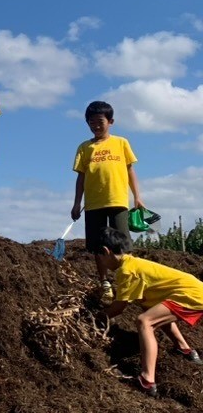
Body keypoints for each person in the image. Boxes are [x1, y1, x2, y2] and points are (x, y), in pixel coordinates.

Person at [100, 227, 203, 397]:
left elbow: (118, 308)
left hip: (192, 295)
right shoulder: (133, 263)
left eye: (101, 258)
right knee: (151, 311)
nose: (102, 263)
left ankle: (147, 380)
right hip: (195, 291)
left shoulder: (127, 271)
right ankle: (185, 349)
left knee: (144, 321)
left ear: (106, 251)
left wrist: (97, 317)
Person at [71, 100, 144, 281]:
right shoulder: (84, 147)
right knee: (98, 245)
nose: (96, 126)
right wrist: (76, 203)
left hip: (117, 200)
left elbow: (130, 171)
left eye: (100, 122)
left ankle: (129, 280)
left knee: (123, 243)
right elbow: (81, 177)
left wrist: (137, 197)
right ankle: (104, 282)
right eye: (92, 122)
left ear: (110, 122)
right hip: (93, 203)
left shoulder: (121, 143)